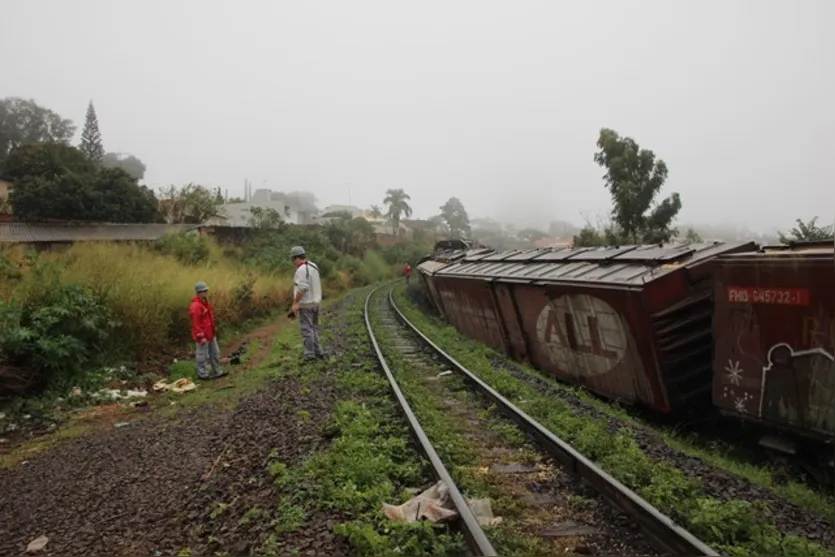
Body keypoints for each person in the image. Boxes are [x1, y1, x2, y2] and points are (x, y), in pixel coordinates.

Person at [290, 246, 324, 362]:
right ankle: (319, 351)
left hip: (306, 304)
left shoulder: (301, 270)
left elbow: (302, 289)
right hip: (316, 303)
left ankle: (309, 355)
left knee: (307, 330)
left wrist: (295, 303)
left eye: (293, 260)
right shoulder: (314, 266)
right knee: (314, 328)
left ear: (296, 258)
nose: (293, 262)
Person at [189, 281, 227, 380]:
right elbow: (195, 323)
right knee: (202, 356)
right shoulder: (196, 306)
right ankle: (202, 374)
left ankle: (217, 371)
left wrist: (213, 332)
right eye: (204, 291)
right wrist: (200, 336)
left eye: (206, 290)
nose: (206, 292)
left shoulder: (206, 303)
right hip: (203, 336)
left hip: (210, 333)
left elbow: (210, 319)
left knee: (215, 353)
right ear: (199, 292)